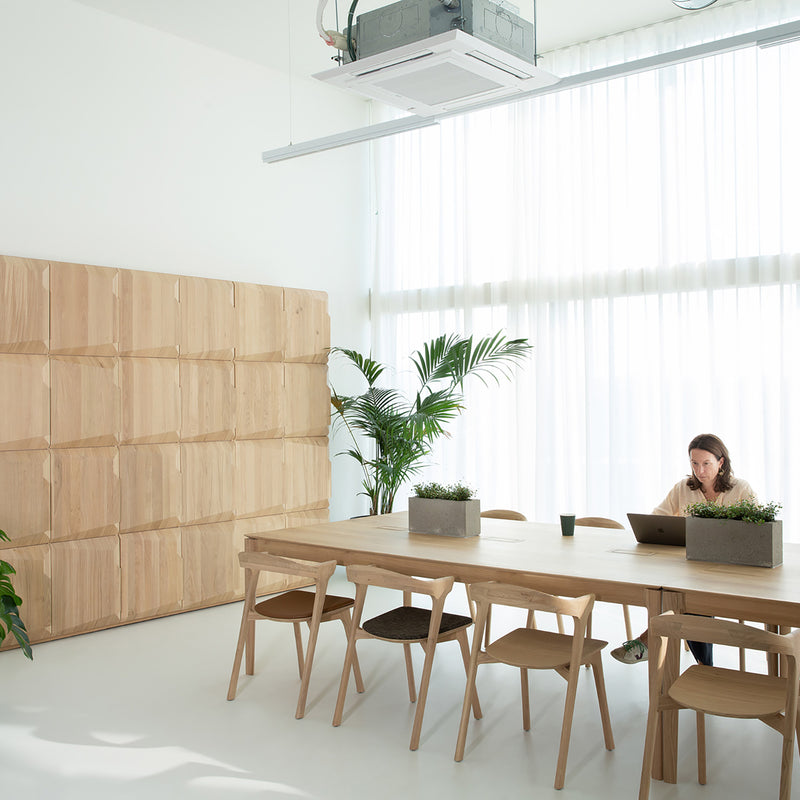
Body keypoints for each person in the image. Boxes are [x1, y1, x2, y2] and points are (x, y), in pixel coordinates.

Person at [611, 433, 756, 665]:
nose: (700, 471)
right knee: (676, 590)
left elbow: (756, 532)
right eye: (694, 463)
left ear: (721, 462)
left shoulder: (740, 489)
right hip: (694, 566)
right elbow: (657, 520)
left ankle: (650, 641)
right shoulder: (683, 488)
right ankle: (702, 666)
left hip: (730, 571)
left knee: (687, 595)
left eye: (706, 463)